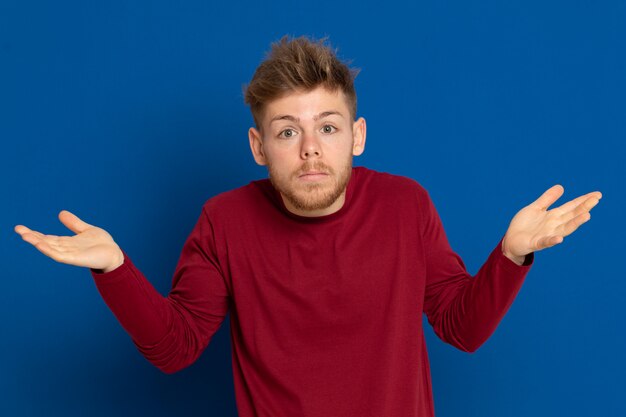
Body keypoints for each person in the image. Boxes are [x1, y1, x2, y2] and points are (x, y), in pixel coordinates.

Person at [14, 36, 602, 417]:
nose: (311, 150)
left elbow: (460, 325)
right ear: (258, 146)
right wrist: (115, 270)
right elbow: (175, 347)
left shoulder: (406, 205)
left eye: (328, 126)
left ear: (358, 136)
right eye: (288, 132)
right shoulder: (223, 222)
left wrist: (510, 256)